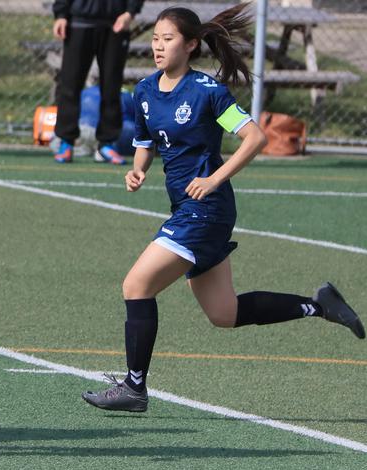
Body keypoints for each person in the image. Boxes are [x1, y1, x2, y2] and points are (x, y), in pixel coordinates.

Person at [82, 4, 365, 413]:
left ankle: (134, 387)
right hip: (186, 208)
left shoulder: (208, 92)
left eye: (168, 39)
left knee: (136, 286)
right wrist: (137, 169)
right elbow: (146, 140)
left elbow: (255, 138)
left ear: (191, 44)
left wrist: (215, 179)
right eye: (155, 39)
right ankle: (320, 304)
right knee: (224, 313)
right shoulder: (144, 91)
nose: (158, 47)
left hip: (207, 210)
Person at [50, 0, 143, 164]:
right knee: (70, 86)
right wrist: (61, 14)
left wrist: (130, 12)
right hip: (78, 23)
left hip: (115, 24)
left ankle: (107, 144)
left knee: (112, 88)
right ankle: (66, 142)